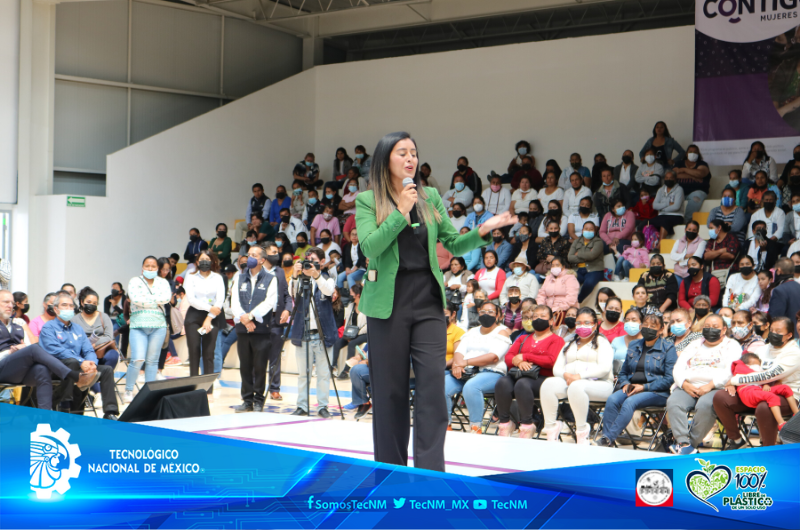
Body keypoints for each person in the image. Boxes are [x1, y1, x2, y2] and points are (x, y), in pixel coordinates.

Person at [354, 131, 516, 471]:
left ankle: (430, 473)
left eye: (413, 152)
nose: (410, 158)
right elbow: (370, 246)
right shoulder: (369, 200)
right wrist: (400, 210)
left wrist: (482, 231)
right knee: (390, 392)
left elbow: (453, 244)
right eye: (402, 152)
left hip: (427, 299)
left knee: (431, 387)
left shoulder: (428, 196)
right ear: (385, 160)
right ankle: (391, 472)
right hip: (387, 303)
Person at [0, 291, 96, 411]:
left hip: (19, 369)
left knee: (42, 369)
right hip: (2, 367)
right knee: (36, 348)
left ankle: (45, 418)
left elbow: (30, 345)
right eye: (6, 302)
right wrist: (9, 353)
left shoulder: (18, 324)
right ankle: (73, 375)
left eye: (12, 303)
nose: (10, 305)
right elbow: (32, 349)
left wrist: (22, 349)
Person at [715, 316, 800, 449]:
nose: (774, 334)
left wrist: (736, 380)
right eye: (772, 330)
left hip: (786, 396)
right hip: (755, 391)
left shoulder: (794, 353)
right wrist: (732, 381)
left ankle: (768, 450)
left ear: (789, 335)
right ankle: (737, 440)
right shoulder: (762, 350)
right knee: (721, 397)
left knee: (764, 406)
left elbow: (769, 375)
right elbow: (743, 365)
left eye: (778, 332)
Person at [596, 313, 676, 447]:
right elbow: (623, 372)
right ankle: (607, 439)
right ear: (641, 326)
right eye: (645, 325)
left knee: (630, 402)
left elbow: (669, 379)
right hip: (632, 387)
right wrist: (626, 383)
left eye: (653, 326)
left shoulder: (668, 348)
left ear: (661, 329)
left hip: (657, 392)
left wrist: (644, 387)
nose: (648, 328)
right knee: (612, 399)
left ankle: (608, 439)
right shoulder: (634, 345)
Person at [666, 313, 742, 454]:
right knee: (674, 402)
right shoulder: (694, 344)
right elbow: (678, 367)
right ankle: (683, 442)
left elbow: (731, 370)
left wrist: (710, 385)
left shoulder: (732, 345)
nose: (710, 329)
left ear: (724, 329)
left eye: (715, 326)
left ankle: (690, 446)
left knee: (705, 405)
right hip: (689, 386)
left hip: (716, 387)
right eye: (707, 326)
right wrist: (684, 384)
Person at [540, 307, 614, 444]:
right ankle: (551, 429)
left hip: (601, 385)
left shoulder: (602, 343)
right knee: (548, 384)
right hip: (572, 382)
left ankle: (581, 432)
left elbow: (604, 369)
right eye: (579, 323)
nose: (582, 326)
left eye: (587, 323)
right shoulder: (569, 344)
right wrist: (566, 374)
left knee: (577, 386)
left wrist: (579, 376)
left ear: (595, 324)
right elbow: (557, 368)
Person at [40, 292, 120, 419]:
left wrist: (92, 363)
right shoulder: (48, 327)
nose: (68, 308)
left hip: (78, 367)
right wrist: (81, 361)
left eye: (71, 305)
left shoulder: (77, 329)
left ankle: (110, 413)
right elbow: (56, 351)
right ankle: (64, 407)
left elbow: (88, 349)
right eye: (64, 305)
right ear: (55, 309)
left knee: (107, 370)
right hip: (57, 368)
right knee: (71, 362)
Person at [495, 305, 564, 437]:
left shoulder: (557, 340)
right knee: (502, 382)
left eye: (543, 316)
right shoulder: (523, 338)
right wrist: (519, 362)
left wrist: (525, 357)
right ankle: (505, 423)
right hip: (520, 374)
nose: (538, 319)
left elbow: (551, 361)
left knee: (522, 384)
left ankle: (527, 425)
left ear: (551, 321)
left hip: (542, 378)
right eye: (535, 316)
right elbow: (509, 357)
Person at [444, 299, 511, 433]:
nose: (486, 314)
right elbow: (459, 352)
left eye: (490, 312)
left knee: (471, 386)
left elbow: (493, 357)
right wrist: (457, 366)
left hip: (491, 372)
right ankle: (445, 424)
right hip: (466, 371)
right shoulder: (472, 331)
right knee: (442, 384)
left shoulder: (502, 332)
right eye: (483, 311)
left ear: (498, 315)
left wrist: (466, 362)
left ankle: (475, 427)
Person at [288, 247, 338, 418]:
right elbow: (292, 294)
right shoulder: (301, 279)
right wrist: (295, 275)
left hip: (324, 334)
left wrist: (316, 275)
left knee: (323, 374)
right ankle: (302, 406)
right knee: (303, 374)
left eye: (314, 260)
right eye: (308, 260)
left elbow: (328, 291)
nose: (310, 264)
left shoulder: (327, 278)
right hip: (303, 332)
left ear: (322, 262)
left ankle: (322, 406)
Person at [231, 245, 278, 412]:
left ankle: (258, 400)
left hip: (261, 330)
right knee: (245, 366)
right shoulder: (239, 278)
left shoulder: (271, 279)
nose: (249, 257)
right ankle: (247, 400)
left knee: (259, 367)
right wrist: (244, 320)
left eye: (254, 255)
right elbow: (234, 302)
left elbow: (269, 303)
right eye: (249, 254)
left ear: (262, 260)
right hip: (243, 329)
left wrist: (250, 316)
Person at [123, 257, 171, 403]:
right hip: (138, 325)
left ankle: (148, 393)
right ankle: (128, 390)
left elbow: (166, 298)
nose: (150, 268)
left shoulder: (163, 282)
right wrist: (155, 300)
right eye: (147, 266)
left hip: (158, 325)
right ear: (142, 267)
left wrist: (146, 299)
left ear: (157, 268)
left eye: (153, 266)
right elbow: (135, 299)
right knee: (137, 359)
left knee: (152, 361)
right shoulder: (134, 281)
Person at [183, 250, 225, 392]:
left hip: (213, 316)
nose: (204, 262)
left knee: (209, 353)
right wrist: (209, 308)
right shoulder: (191, 277)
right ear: (197, 262)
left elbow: (220, 300)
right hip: (194, 316)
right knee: (194, 351)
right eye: (201, 259)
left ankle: (208, 389)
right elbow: (191, 299)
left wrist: (209, 317)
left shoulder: (218, 278)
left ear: (212, 261)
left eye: (207, 259)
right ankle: (193, 388)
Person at [728, 352, 799, 430]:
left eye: (759, 365)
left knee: (785, 388)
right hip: (748, 392)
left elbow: (761, 378)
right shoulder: (740, 367)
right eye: (754, 365)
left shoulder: (759, 372)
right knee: (772, 397)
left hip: (759, 389)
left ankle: (796, 414)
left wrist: (766, 384)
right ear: (746, 364)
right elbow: (755, 377)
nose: (758, 367)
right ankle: (781, 424)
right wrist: (729, 384)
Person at [72, 287, 119, 404]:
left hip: (102, 350)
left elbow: (109, 336)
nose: (91, 305)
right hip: (83, 352)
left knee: (113, 355)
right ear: (82, 302)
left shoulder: (104, 317)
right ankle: (98, 392)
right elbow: (73, 339)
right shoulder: (75, 319)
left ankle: (98, 386)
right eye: (88, 302)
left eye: (94, 303)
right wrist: (87, 346)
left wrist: (94, 343)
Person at [332, 283, 368, 380]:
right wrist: (348, 335)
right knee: (337, 343)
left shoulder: (366, 307)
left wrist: (355, 335)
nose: (349, 295)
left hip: (363, 333)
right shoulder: (350, 306)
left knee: (352, 343)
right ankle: (333, 367)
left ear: (357, 295)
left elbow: (367, 326)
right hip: (352, 333)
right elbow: (347, 322)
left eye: (351, 293)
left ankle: (346, 371)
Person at [673, 144, 711, 223]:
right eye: (690, 152)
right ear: (686, 153)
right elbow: (673, 175)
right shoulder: (679, 163)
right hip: (679, 191)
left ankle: (686, 222)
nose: (693, 153)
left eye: (695, 152)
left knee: (695, 198)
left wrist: (683, 170)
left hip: (697, 191)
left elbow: (700, 173)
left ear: (698, 154)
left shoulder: (702, 164)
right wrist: (692, 176)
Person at [568, 221, 604, 302]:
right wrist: (587, 256)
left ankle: (578, 301)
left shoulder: (598, 242)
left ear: (595, 231)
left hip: (594, 270)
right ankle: (568, 301)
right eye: (586, 229)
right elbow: (570, 257)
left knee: (589, 283)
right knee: (569, 281)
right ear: (582, 230)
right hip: (578, 270)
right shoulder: (576, 241)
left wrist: (578, 253)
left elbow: (592, 256)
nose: (588, 231)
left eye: (591, 229)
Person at [535, 258, 579, 324]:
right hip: (549, 308)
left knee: (559, 315)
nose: (555, 267)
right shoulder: (549, 277)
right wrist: (541, 305)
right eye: (553, 265)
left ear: (563, 266)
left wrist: (561, 307)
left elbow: (572, 296)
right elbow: (542, 293)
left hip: (565, 308)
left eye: (557, 265)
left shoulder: (570, 277)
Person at [649, 170, 685, 239]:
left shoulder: (679, 189)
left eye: (671, 178)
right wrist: (667, 203)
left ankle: (660, 244)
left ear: (674, 179)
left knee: (664, 222)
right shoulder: (660, 190)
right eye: (666, 178)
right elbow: (654, 205)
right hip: (662, 215)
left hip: (677, 216)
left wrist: (661, 208)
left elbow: (676, 207)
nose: (668, 179)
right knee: (647, 222)